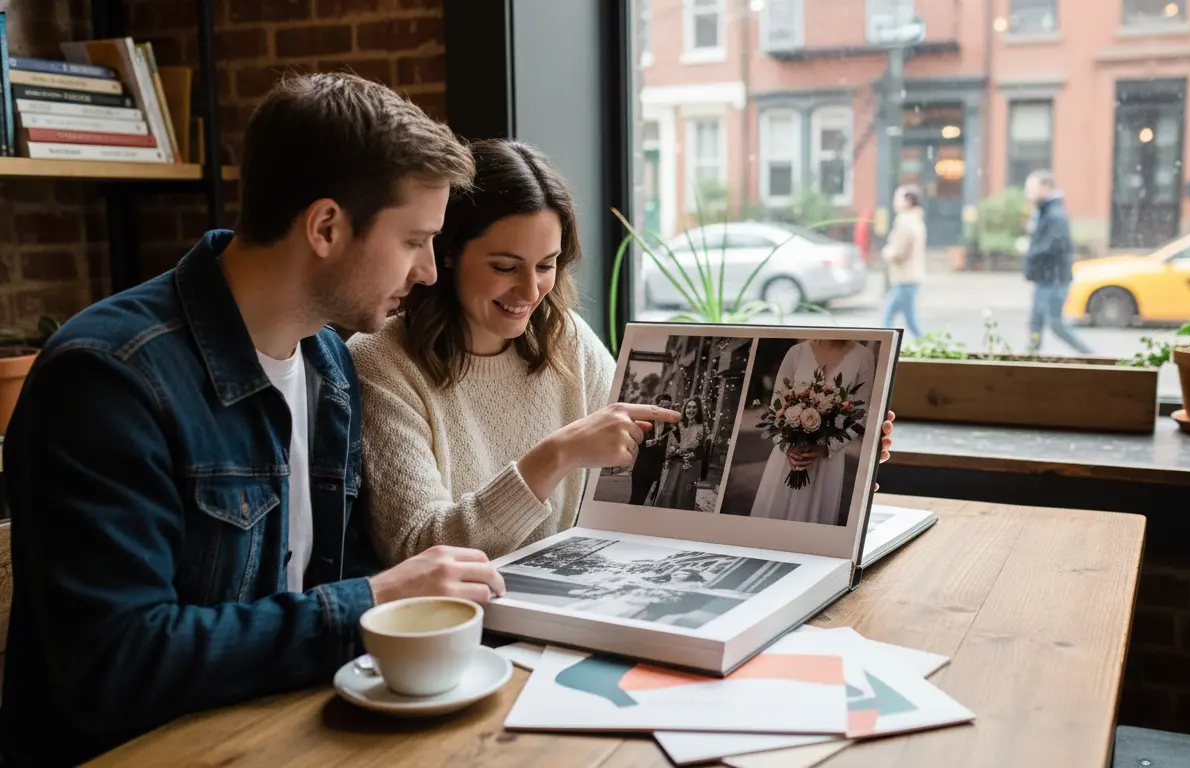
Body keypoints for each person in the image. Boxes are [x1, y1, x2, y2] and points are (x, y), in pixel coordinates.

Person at [0, 72, 512, 768]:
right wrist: (370, 599)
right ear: (326, 226)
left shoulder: (330, 363)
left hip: (288, 732)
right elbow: (114, 668)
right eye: (415, 240)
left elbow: (328, 567)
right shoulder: (107, 379)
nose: (428, 272)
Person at [348, 139, 682, 563]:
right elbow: (418, 548)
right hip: (468, 620)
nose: (530, 291)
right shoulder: (381, 362)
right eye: (505, 267)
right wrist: (555, 456)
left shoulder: (567, 339)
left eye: (547, 265)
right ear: (448, 253)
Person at [748, 339, 877, 526]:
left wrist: (826, 448)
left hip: (827, 461)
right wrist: (787, 447)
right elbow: (775, 407)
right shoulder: (796, 352)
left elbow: (860, 418)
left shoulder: (863, 356)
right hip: (789, 457)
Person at [1022, 170, 1092, 355]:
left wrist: (1030, 250)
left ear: (1045, 188)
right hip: (1049, 277)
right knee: (1048, 323)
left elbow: (1054, 246)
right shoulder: (1046, 212)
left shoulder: (1054, 214)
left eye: (1031, 189)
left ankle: (1091, 356)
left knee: (1047, 322)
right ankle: (1029, 359)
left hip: (1052, 279)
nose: (1027, 194)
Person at [879, 185, 926, 339]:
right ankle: (927, 346)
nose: (895, 202)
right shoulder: (916, 219)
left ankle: (884, 352)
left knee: (888, 317)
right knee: (909, 320)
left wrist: (887, 253)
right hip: (911, 276)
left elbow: (900, 251)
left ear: (908, 201)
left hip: (904, 277)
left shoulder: (904, 220)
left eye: (898, 198)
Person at [653, 396, 711, 511]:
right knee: (669, 493)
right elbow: (669, 447)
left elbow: (703, 450)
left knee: (685, 495)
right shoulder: (677, 426)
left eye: (694, 407)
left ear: (698, 410)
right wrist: (677, 452)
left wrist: (693, 455)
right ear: (684, 409)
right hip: (676, 465)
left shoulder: (703, 428)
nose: (691, 410)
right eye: (688, 407)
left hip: (693, 467)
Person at [629, 392, 676, 505]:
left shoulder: (670, 426)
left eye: (667, 407)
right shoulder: (645, 421)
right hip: (641, 468)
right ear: (656, 407)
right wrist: (650, 442)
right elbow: (637, 440)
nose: (665, 409)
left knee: (645, 501)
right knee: (636, 500)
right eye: (662, 406)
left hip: (656, 471)